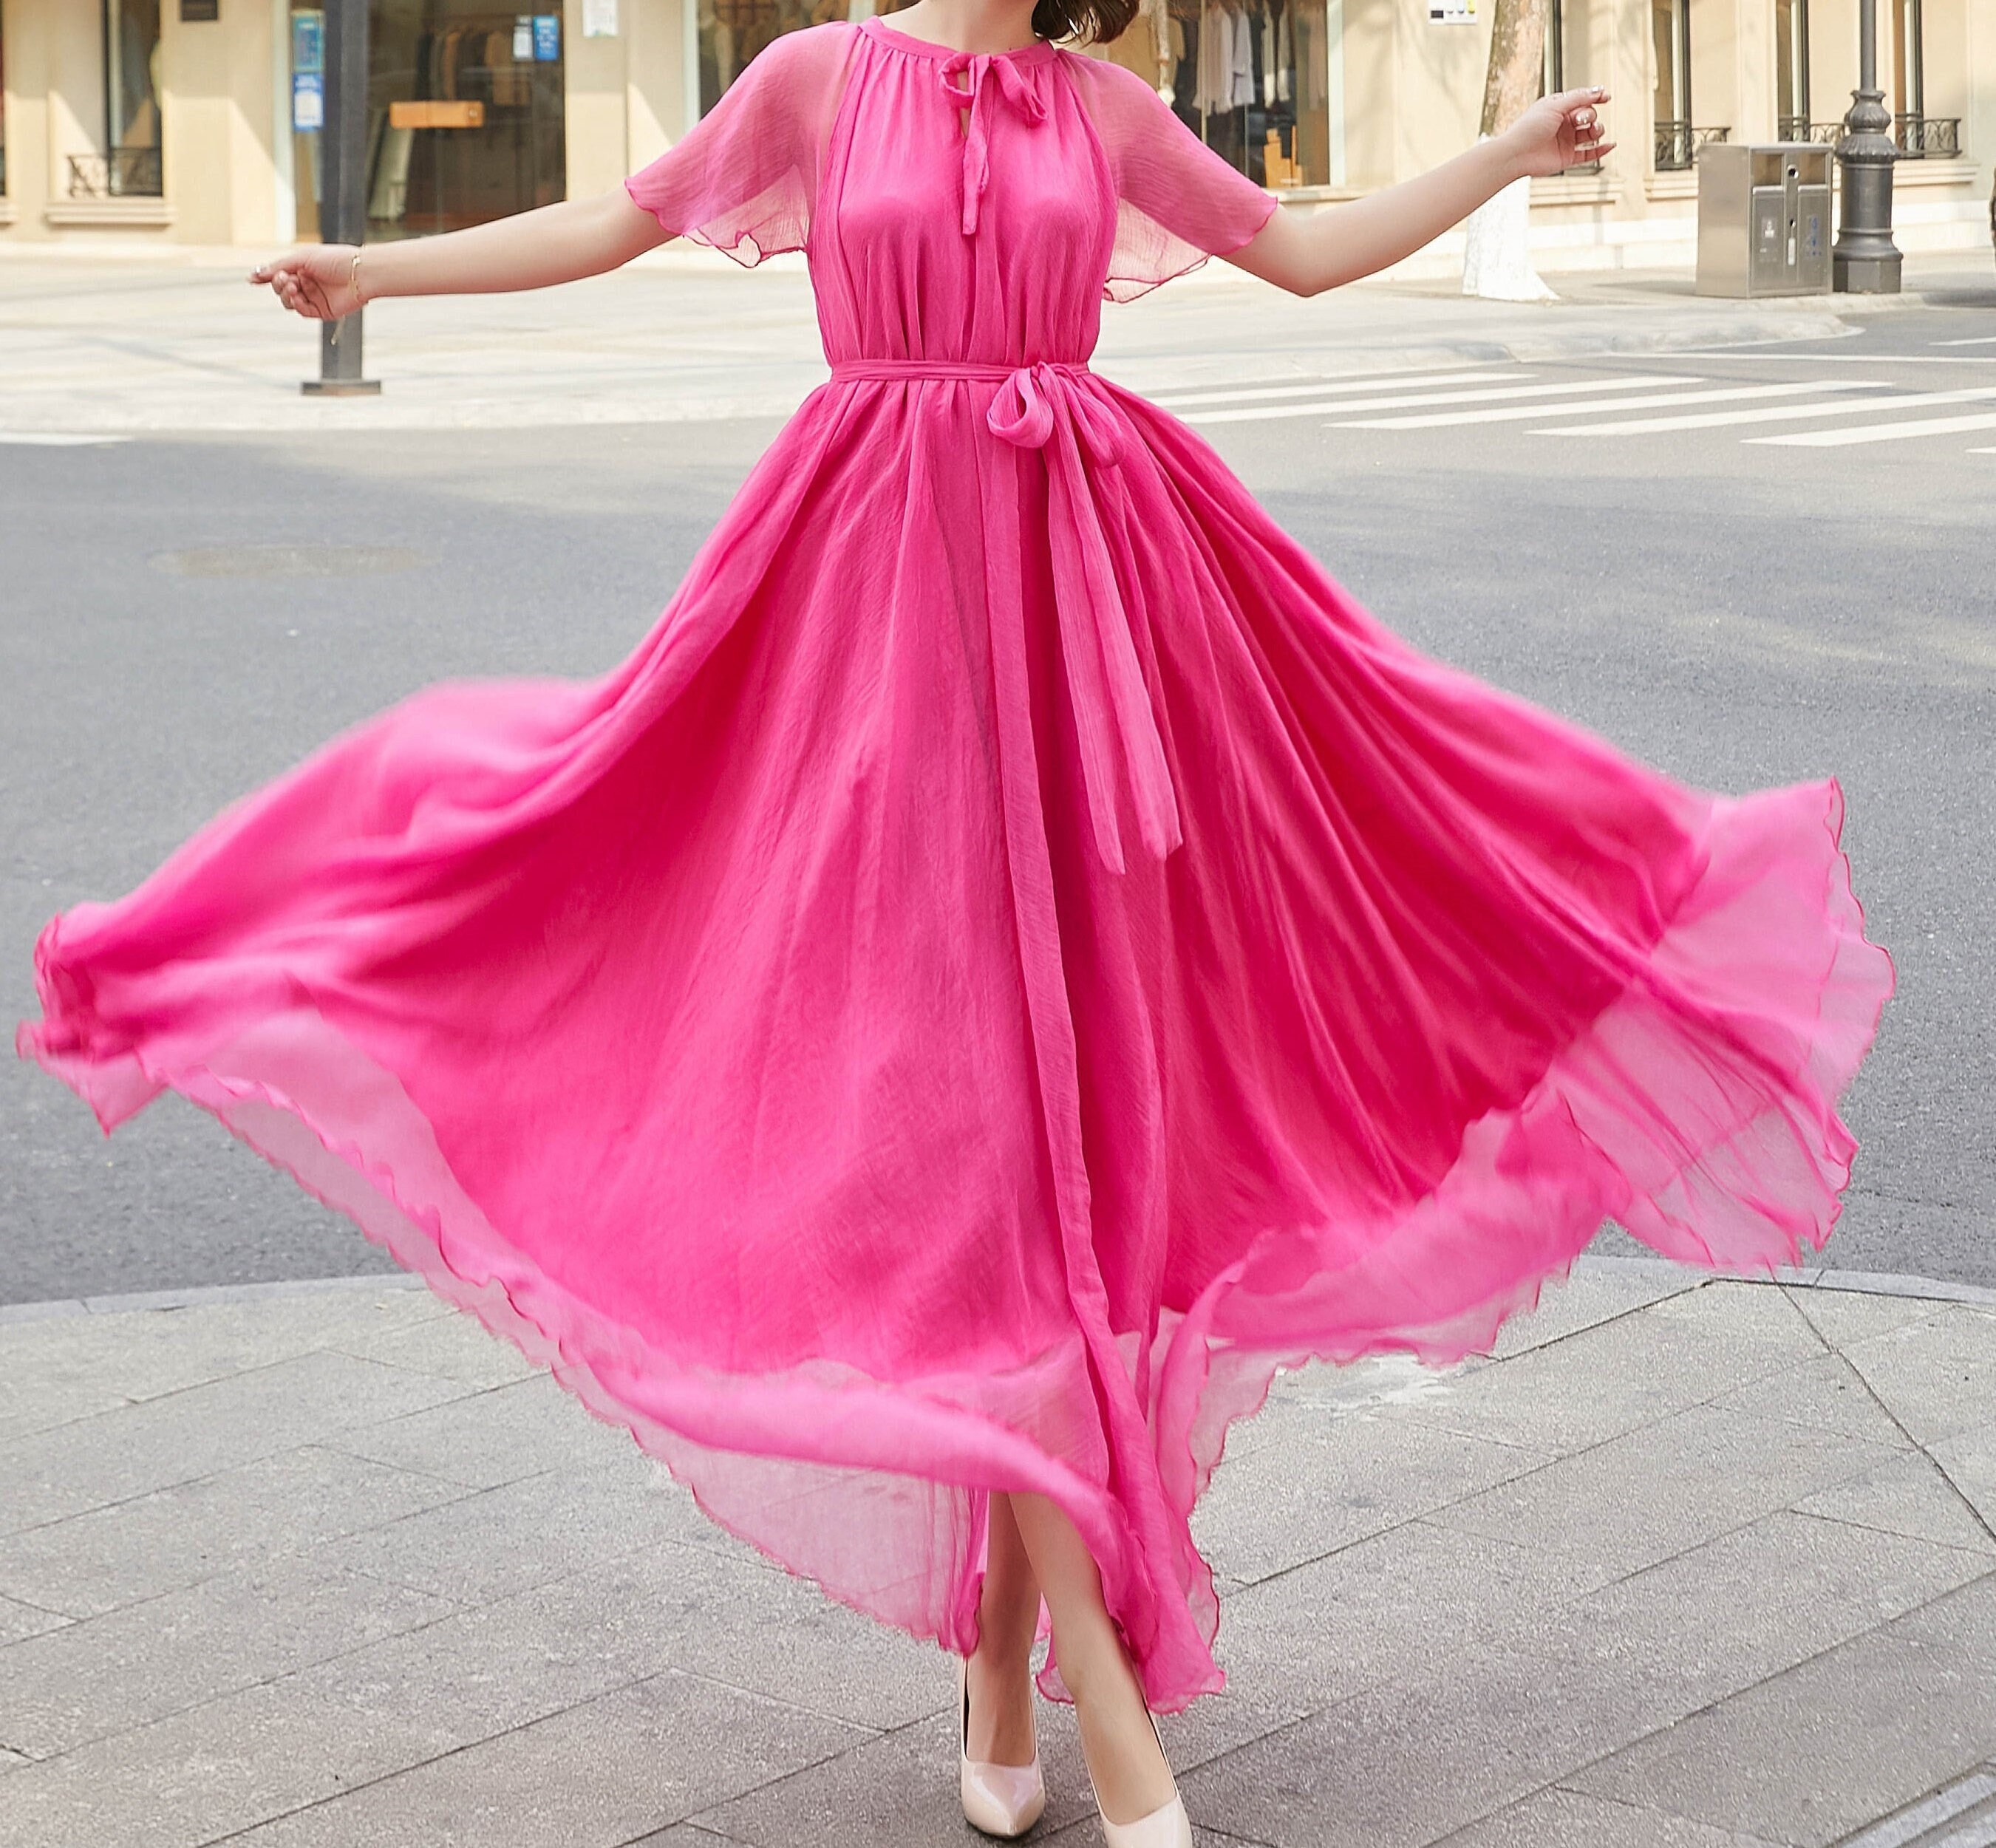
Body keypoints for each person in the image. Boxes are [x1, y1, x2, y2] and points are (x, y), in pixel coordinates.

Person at [19, 3, 1891, 1844]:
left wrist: (1503, 155)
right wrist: (372, 275)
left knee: (1077, 1140)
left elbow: (1303, 254)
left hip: (1105, 614)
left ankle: (1005, 1674)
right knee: (974, 1141)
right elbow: (613, 220)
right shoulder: (819, 75)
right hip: (876, 616)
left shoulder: (1098, 98)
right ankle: (1102, 1715)